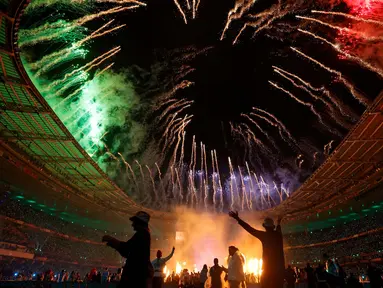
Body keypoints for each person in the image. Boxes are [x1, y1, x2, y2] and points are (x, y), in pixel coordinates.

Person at [229, 211, 285, 288]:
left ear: (265, 227)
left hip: (268, 270)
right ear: (272, 227)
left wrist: (238, 219)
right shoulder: (278, 235)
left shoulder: (264, 236)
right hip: (279, 270)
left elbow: (250, 229)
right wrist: (279, 222)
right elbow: (278, 228)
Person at [102, 211, 153, 288]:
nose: (132, 224)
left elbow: (126, 249)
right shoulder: (144, 234)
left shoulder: (142, 234)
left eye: (134, 222)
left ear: (140, 222)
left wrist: (112, 240)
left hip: (135, 277)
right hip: (138, 276)